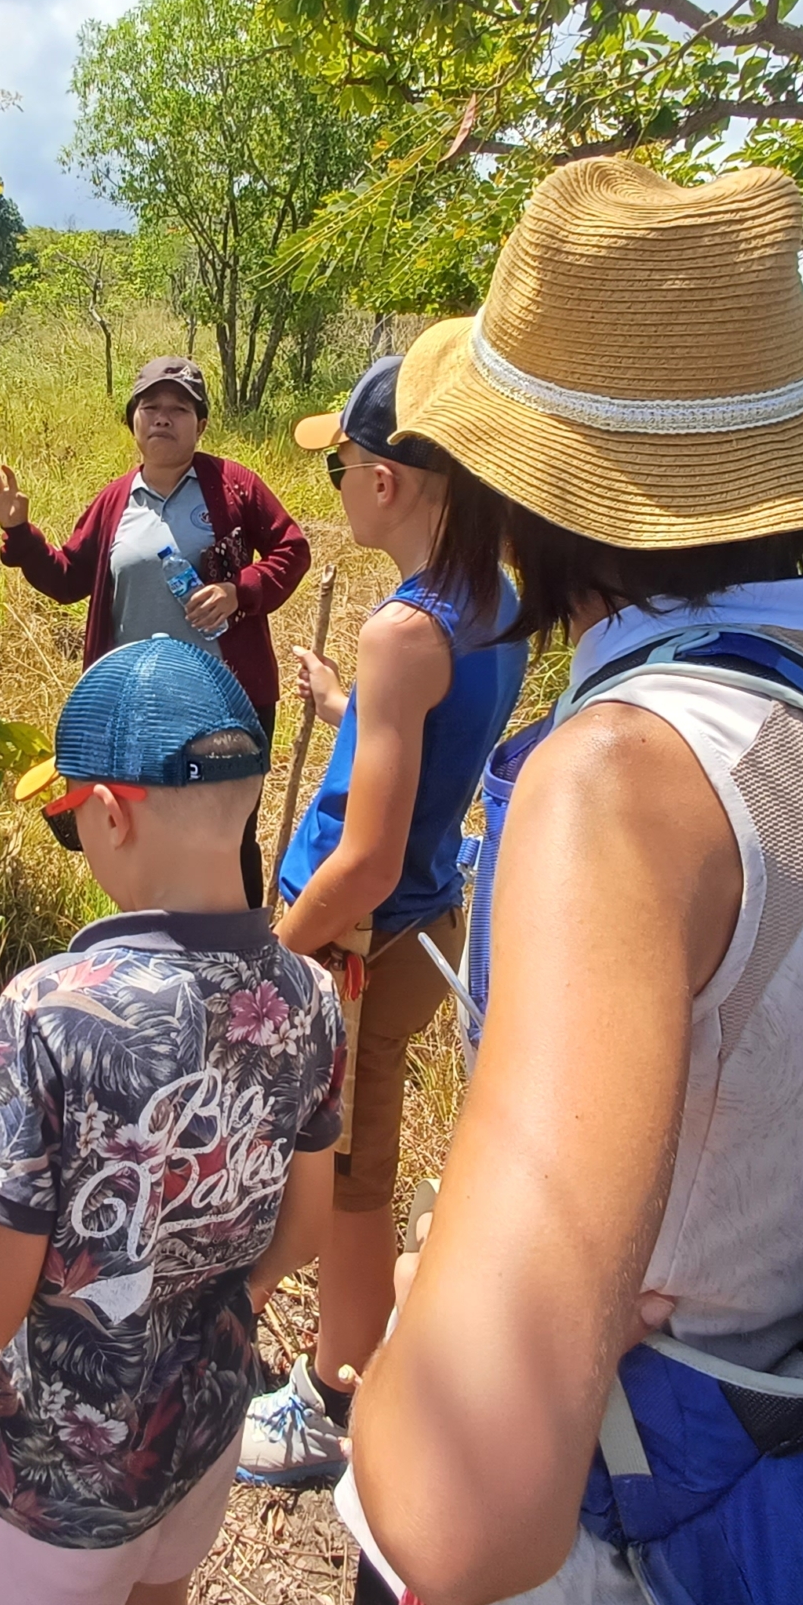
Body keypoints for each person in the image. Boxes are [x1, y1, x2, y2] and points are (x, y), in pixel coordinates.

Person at [340, 160, 803, 1605]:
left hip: (606, 1536)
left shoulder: (622, 780)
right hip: (777, 1467)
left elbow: (460, 1510)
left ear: (527, 491)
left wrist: (424, 1335)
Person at [0, 637, 345, 1605]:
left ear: (110, 814)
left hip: (49, 1489)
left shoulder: (49, 1011)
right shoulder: (311, 997)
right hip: (200, 1444)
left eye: (73, 826)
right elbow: (305, 1229)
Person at [237, 355, 527, 1489]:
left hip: (364, 939)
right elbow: (426, 747)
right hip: (429, 923)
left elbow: (360, 862)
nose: (338, 477)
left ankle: (332, 1394)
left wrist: (276, 949)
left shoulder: (404, 631)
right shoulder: (494, 600)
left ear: (393, 481)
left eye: (341, 460)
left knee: (351, 1178)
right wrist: (347, 715)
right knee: (359, 1154)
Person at [0, 355, 312, 904]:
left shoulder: (233, 487)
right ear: (132, 421)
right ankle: (149, 957)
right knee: (133, 835)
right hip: (134, 707)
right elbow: (67, 579)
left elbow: (291, 549)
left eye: (179, 409)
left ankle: (241, 966)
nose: (163, 418)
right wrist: (20, 533)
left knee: (228, 839)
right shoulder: (114, 501)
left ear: (200, 427)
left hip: (225, 703)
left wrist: (239, 591)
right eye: (150, 407)